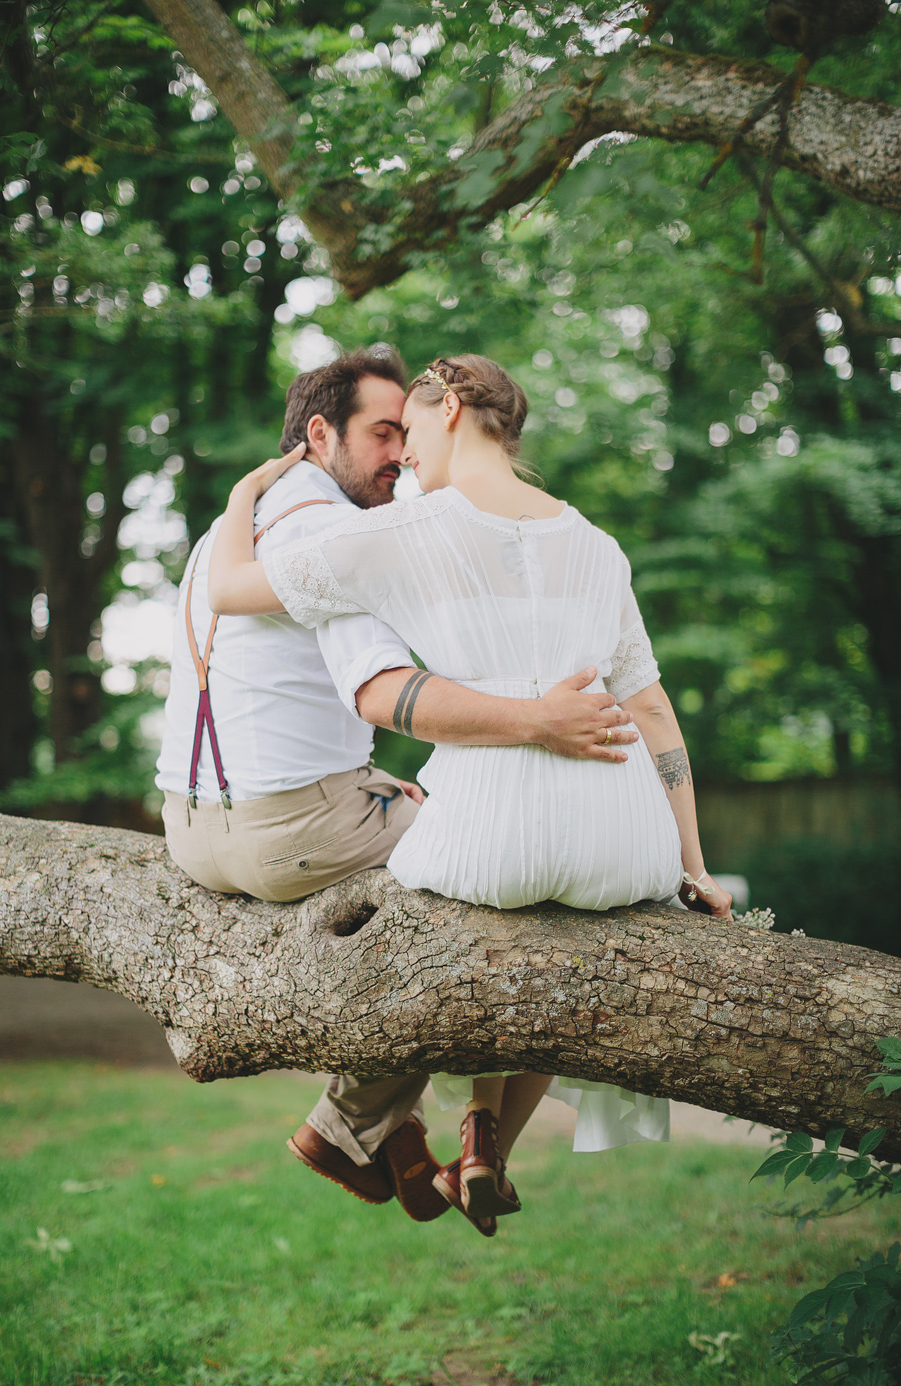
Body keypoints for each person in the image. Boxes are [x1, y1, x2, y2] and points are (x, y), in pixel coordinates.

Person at [207, 352, 732, 1226]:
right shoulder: (599, 547)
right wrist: (693, 864)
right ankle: (485, 1134)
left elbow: (228, 589)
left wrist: (242, 496)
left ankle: (365, 1120)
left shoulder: (400, 534)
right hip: (622, 826)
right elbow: (652, 713)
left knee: (466, 890)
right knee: (567, 945)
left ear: (448, 408)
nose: (404, 456)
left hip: (494, 829)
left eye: (408, 431)